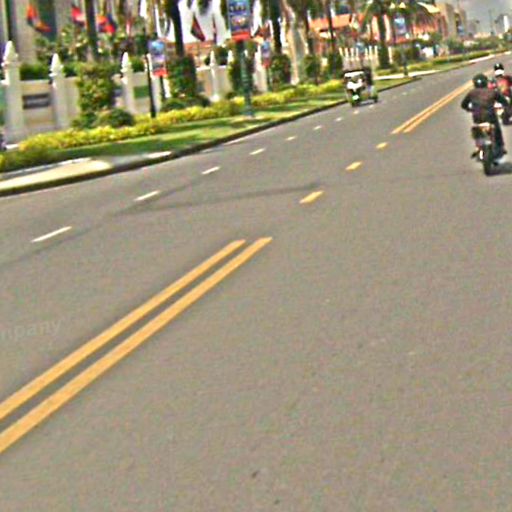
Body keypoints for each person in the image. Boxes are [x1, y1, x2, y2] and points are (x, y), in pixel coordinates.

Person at [461, 73, 510, 158]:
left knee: (477, 130)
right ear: (486, 82)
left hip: (477, 118)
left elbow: (463, 104)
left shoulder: (471, 93)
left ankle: (478, 146)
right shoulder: (492, 92)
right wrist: (505, 106)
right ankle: (500, 146)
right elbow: (504, 101)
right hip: (491, 117)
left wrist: (469, 109)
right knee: (497, 130)